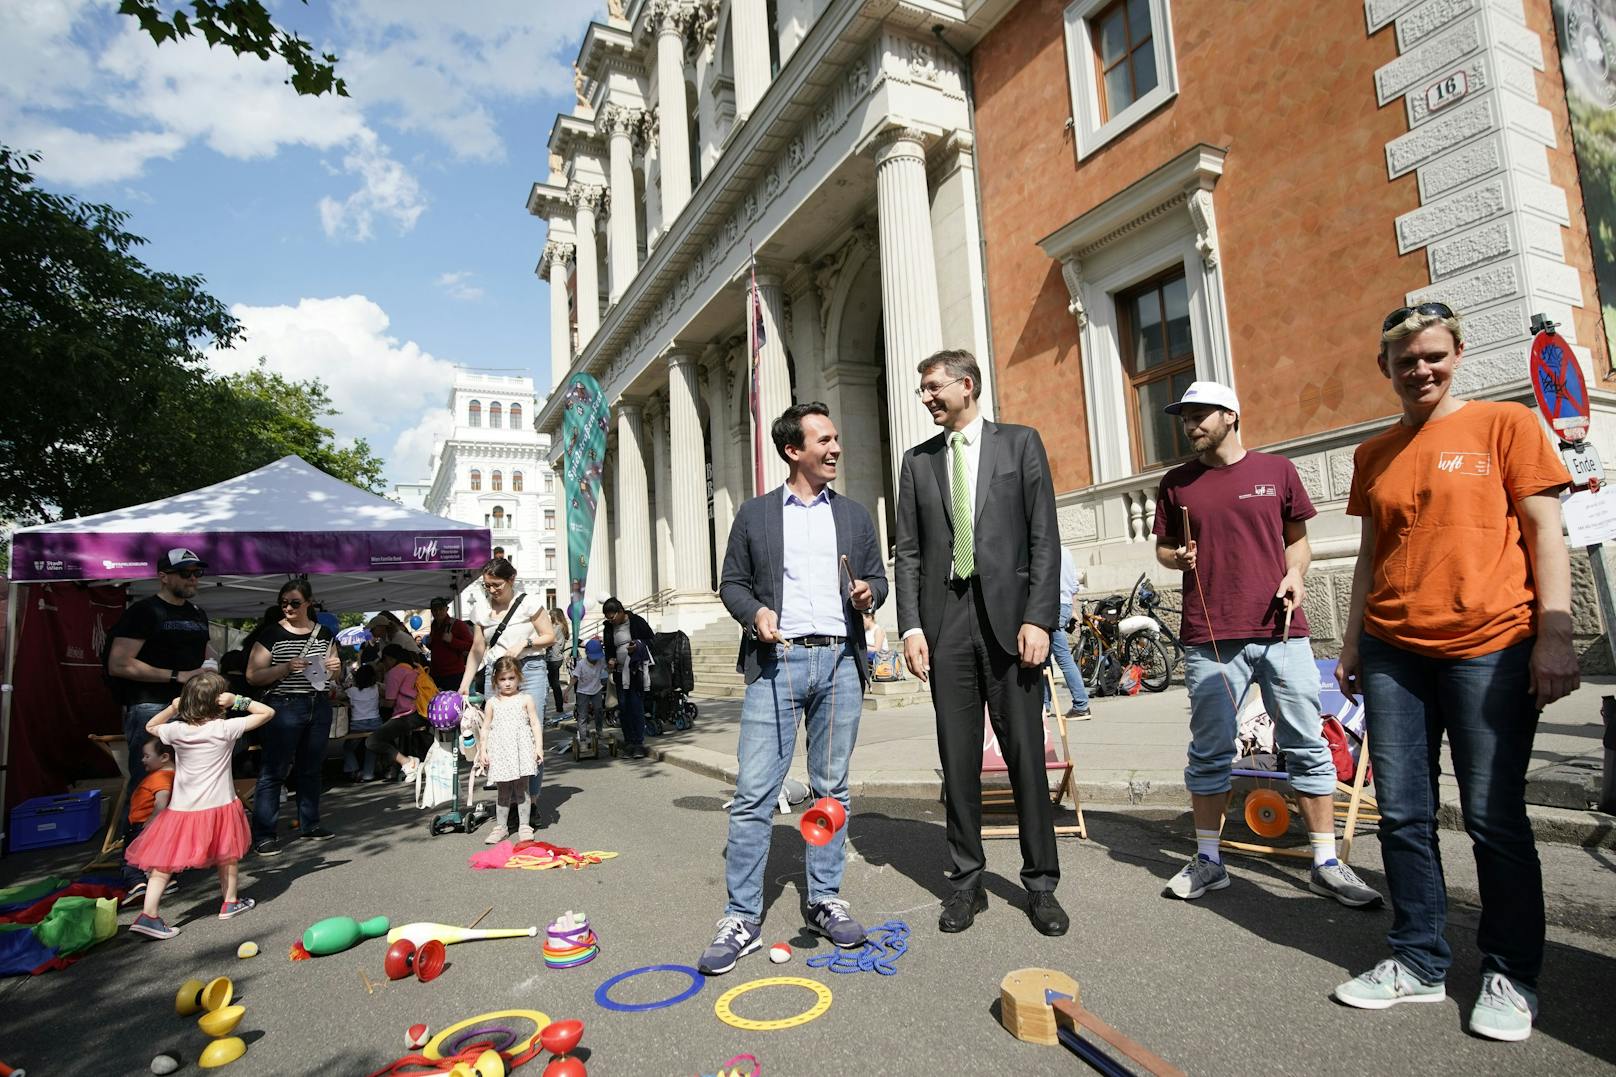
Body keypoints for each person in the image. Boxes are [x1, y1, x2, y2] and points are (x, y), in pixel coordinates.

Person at [1330, 303, 1577, 1042]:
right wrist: (1350, 642)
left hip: (1491, 644)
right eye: (1405, 360)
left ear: (1458, 352)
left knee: (1492, 816)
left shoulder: (1506, 425)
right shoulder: (1373, 453)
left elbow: (1545, 531)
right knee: (1402, 813)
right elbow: (1372, 555)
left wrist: (1555, 636)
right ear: (1386, 368)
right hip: (1392, 650)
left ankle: (1509, 971)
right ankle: (1418, 959)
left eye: (1433, 355)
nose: (1421, 369)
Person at [1151, 380, 1381, 908]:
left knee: (1306, 743)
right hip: (1209, 636)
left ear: (1231, 415)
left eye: (1199, 416)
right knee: (1209, 750)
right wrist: (1176, 560)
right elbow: (1164, 550)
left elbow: (1298, 544)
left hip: (1281, 632)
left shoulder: (1277, 472)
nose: (1190, 426)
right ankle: (1210, 860)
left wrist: (1296, 576)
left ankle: (1326, 862)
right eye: (1184, 418)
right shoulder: (1176, 483)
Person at [699, 401, 887, 977]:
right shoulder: (755, 516)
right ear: (792, 450)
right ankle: (740, 916)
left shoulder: (855, 515)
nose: (835, 449)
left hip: (838, 665)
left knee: (833, 789)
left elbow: (876, 577)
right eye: (824, 440)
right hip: (776, 664)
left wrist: (867, 596)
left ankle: (825, 899)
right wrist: (754, 610)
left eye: (835, 439)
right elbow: (730, 582)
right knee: (756, 792)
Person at [894, 348, 1068, 937]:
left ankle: (1040, 883)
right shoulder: (917, 464)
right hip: (947, 625)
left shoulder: (1020, 444)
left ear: (966, 385)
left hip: (1012, 624)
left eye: (932, 388)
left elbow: (1044, 537)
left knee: (1026, 757)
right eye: (922, 390)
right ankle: (966, 882)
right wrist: (912, 626)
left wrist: (1040, 618)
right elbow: (910, 553)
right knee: (958, 759)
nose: (925, 398)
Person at [125, 672, 275, 940]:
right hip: (220, 805)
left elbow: (150, 727)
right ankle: (229, 902)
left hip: (182, 810)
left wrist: (172, 707)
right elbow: (266, 713)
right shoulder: (224, 729)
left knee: (164, 863)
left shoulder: (176, 730)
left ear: (187, 702)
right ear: (220, 703)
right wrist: (238, 701)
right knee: (227, 856)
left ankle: (149, 914)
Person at [105, 548, 212, 820]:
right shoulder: (144, 611)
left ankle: (177, 854)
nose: (193, 579)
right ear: (163, 576)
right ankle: (137, 858)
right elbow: (119, 664)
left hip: (191, 707)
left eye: (197, 573)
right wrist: (178, 676)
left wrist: (212, 669)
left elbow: (205, 651)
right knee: (150, 784)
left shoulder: (198, 613)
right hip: (151, 706)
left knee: (189, 781)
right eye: (185, 573)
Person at [245, 580, 343, 855]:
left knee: (311, 768)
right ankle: (264, 834)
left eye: (295, 603)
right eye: (284, 603)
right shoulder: (271, 633)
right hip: (284, 705)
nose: (288, 607)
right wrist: (285, 668)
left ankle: (309, 823)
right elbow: (252, 676)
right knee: (274, 771)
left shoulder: (324, 633)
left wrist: (335, 668)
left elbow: (334, 675)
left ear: (309, 603)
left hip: (317, 703)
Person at [458, 557, 555, 828]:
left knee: (529, 734)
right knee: (500, 736)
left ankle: (531, 802)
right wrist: (466, 682)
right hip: (496, 673)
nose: (492, 590)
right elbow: (477, 649)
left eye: (496, 584)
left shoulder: (528, 603)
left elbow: (550, 636)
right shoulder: (481, 610)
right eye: (487, 585)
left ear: (511, 580)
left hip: (530, 669)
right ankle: (511, 802)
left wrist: (525, 643)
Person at [476, 656, 545, 843]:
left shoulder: (526, 699)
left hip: (521, 749)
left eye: (511, 678)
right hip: (500, 751)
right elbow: (486, 727)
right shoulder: (492, 703)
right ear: (496, 680)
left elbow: (535, 724)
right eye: (502, 679)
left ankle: (524, 825)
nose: (507, 683)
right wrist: (483, 750)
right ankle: (501, 827)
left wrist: (538, 747)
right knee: (503, 791)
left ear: (519, 678)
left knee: (522, 789)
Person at [119, 738, 177, 905]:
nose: (143, 760)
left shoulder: (160, 777)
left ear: (164, 757)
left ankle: (137, 884)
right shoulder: (175, 775)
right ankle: (168, 880)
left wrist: (153, 817)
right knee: (163, 855)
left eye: (146, 756)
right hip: (165, 824)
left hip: (143, 824)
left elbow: (162, 798)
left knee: (130, 858)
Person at [600, 597, 655, 759]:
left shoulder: (636, 621)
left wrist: (637, 645)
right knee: (623, 707)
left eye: (612, 617)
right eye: (608, 618)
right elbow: (609, 648)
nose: (611, 620)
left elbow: (651, 640)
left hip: (635, 670)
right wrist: (610, 659)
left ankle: (638, 742)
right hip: (619, 671)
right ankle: (629, 741)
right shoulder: (609, 628)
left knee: (635, 705)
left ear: (621, 611)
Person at [367, 645, 430, 781]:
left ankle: (407, 762)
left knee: (372, 741)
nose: (384, 664)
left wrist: (377, 700)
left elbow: (389, 703)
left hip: (406, 715)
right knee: (388, 734)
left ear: (390, 659)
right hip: (421, 712)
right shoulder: (414, 668)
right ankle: (403, 765)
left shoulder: (395, 672)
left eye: (384, 660)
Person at [1044, 547, 1091, 720]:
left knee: (1061, 656)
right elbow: (1073, 585)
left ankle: (1081, 705)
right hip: (1063, 605)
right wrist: (1071, 609)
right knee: (1044, 656)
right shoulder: (1066, 551)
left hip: (1050, 606)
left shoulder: (1045, 550)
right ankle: (1045, 705)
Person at [342, 664, 382, 782]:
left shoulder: (351, 691)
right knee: (370, 747)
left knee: (347, 747)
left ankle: (353, 769)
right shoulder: (376, 688)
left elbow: (339, 696)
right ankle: (368, 774)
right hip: (375, 723)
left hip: (358, 725)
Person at [426, 597, 474, 691]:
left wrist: (452, 641)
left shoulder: (457, 624)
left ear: (447, 609)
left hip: (454, 675)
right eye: (435, 610)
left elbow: (471, 645)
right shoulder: (434, 625)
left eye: (441, 609)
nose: (438, 612)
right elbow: (437, 648)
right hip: (436, 674)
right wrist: (430, 644)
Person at [572, 638, 609, 752]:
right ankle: (583, 739)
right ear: (587, 654)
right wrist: (566, 691)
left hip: (596, 690)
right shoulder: (581, 664)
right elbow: (574, 678)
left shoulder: (601, 660)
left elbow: (608, 667)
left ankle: (599, 731)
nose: (594, 661)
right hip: (582, 692)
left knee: (599, 710)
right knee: (582, 715)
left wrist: (612, 664)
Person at [544, 608, 570, 724]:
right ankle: (559, 707)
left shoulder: (557, 628)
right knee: (554, 684)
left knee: (552, 684)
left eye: (550, 616)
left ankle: (558, 708)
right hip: (556, 658)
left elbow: (548, 638)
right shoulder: (562, 626)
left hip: (553, 658)